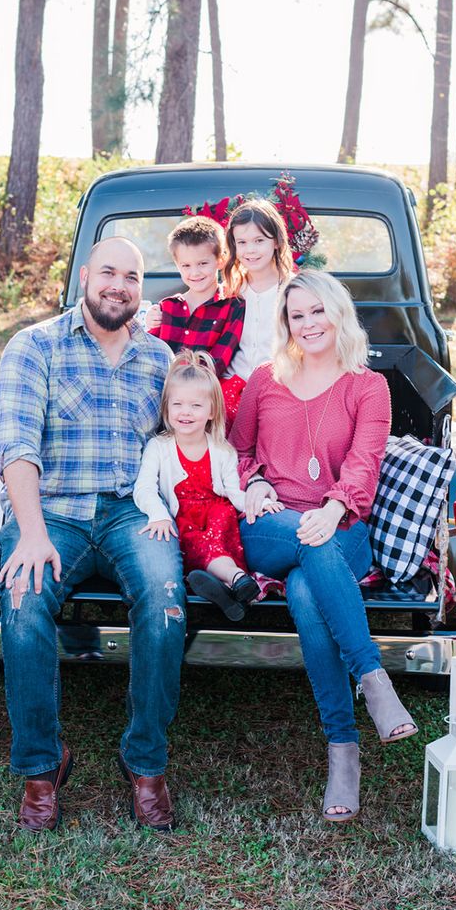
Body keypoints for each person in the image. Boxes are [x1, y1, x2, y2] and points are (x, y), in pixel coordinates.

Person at [0, 236, 185, 834]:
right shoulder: (35, 345)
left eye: (132, 276)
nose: (119, 285)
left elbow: (183, 441)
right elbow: (14, 444)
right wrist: (28, 533)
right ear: (83, 277)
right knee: (22, 601)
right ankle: (42, 769)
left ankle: (145, 762)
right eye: (108, 272)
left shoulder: (159, 359)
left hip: (134, 511)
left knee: (165, 603)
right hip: (52, 513)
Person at [230, 269, 417, 824]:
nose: (308, 324)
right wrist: (255, 482)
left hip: (343, 526)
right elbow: (235, 452)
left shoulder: (368, 386)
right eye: (297, 315)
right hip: (271, 522)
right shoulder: (265, 379)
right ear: (285, 324)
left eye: (317, 311)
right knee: (307, 543)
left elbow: (365, 463)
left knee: (310, 591)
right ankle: (373, 680)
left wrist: (333, 509)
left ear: (338, 314)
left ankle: (343, 750)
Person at [133, 350, 261, 621]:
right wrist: (158, 515)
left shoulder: (222, 450)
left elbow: (233, 491)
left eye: (195, 406)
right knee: (193, 540)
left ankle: (227, 582)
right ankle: (237, 583)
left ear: (212, 410)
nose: (185, 413)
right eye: (177, 404)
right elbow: (144, 487)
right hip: (182, 520)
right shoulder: (159, 447)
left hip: (217, 518)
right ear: (166, 407)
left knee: (217, 522)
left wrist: (256, 502)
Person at [220, 197, 295, 422]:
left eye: (259, 240)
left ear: (276, 242)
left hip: (279, 389)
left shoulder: (293, 289)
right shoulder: (232, 289)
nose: (250, 250)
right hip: (232, 388)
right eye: (241, 242)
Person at [144, 215, 245, 377]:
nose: (195, 273)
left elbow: (218, 362)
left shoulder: (232, 306)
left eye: (203, 263)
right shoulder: (167, 307)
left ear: (221, 260)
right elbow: (152, 358)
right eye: (186, 265)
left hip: (204, 396)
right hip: (167, 395)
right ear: (177, 265)